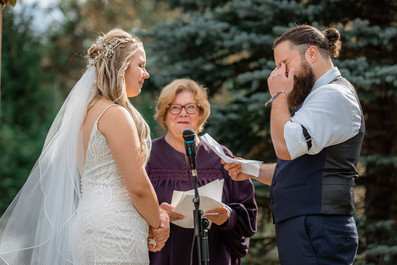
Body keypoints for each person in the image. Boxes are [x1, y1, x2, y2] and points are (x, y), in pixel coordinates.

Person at [0, 28, 169, 265]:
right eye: (140, 65)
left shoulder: (84, 115)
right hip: (115, 227)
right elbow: (137, 186)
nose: (146, 73)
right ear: (121, 66)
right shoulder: (115, 114)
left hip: (87, 223)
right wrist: (158, 220)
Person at [223, 25, 365, 265]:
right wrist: (248, 168)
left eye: (284, 63)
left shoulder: (333, 95)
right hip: (309, 227)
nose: (280, 72)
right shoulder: (316, 98)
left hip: (319, 227)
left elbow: (285, 148)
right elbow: (299, 169)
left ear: (311, 54)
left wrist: (279, 94)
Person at [145, 78, 258, 265]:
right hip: (163, 258)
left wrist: (227, 216)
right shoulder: (148, 157)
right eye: (174, 107)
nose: (183, 114)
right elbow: (128, 207)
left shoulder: (221, 157)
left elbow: (248, 214)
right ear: (164, 114)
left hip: (214, 256)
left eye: (190, 107)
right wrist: (155, 214)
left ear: (201, 113)